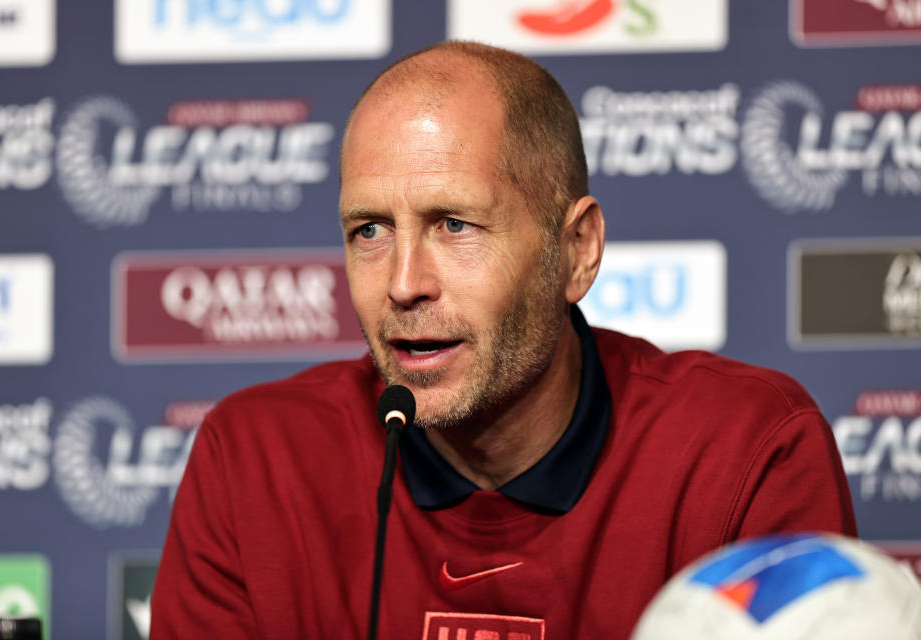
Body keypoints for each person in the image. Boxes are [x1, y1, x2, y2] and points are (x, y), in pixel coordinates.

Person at [150, 41, 857, 640]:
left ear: (577, 250)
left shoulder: (747, 450)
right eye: (370, 229)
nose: (403, 284)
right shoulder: (252, 458)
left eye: (455, 224)